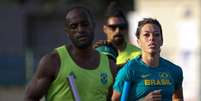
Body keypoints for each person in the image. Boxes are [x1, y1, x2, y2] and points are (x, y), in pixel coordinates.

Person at [24, 6, 117, 101]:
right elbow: (30, 98)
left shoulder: (109, 66)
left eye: (85, 24)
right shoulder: (53, 62)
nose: (80, 30)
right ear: (67, 32)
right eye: (74, 26)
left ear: (93, 26)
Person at [111, 18, 184, 101]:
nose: (151, 38)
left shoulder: (174, 70)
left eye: (156, 35)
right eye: (146, 35)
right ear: (139, 42)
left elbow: (178, 98)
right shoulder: (129, 70)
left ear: (161, 41)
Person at [94, 1, 141, 68]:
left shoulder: (139, 55)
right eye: (113, 27)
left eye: (121, 27)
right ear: (105, 29)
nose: (118, 31)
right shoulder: (97, 55)